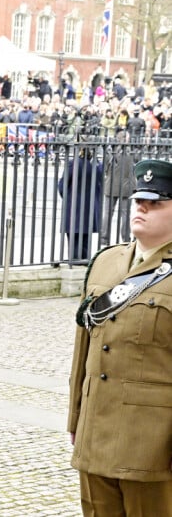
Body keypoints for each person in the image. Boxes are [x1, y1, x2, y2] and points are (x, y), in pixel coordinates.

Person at [68, 158, 172, 516]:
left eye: (156, 202)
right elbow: (83, 351)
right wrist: (75, 421)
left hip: (152, 445)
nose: (142, 208)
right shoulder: (106, 262)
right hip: (96, 433)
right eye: (138, 200)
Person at [58, 136, 103, 262]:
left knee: (74, 237)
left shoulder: (74, 163)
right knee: (85, 237)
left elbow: (62, 185)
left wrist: (67, 197)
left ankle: (74, 260)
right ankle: (84, 259)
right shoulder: (96, 165)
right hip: (90, 207)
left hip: (74, 206)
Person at [100, 131, 135, 246]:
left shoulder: (111, 151)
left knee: (108, 213)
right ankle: (125, 238)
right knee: (125, 214)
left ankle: (104, 238)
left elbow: (104, 169)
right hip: (127, 186)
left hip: (111, 185)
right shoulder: (132, 151)